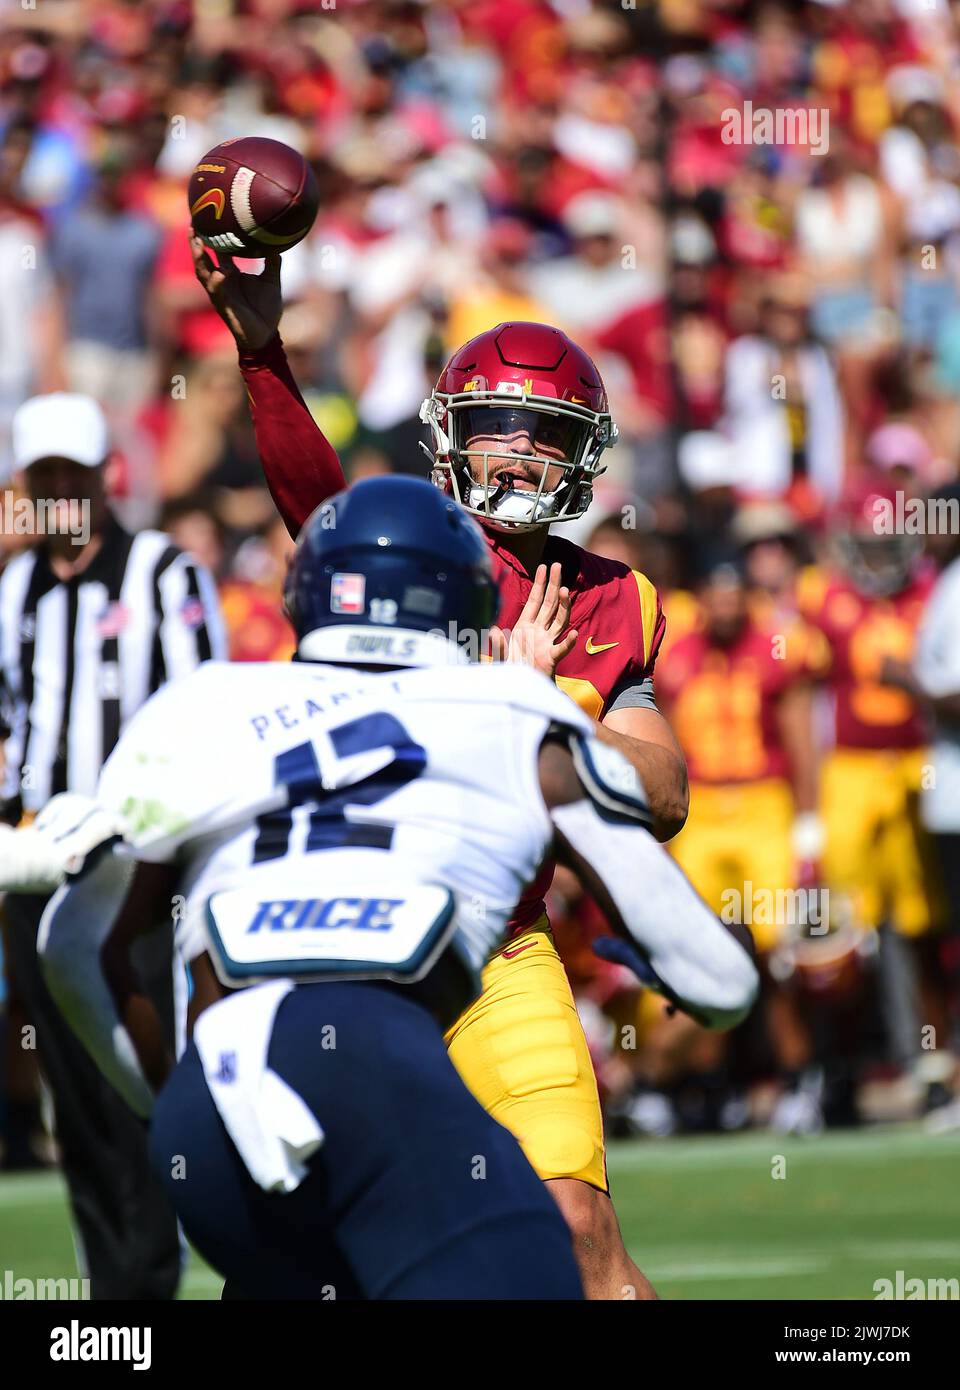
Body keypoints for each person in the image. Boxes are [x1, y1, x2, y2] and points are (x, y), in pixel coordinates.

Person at [14, 475, 757, 1300]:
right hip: (382, 1068)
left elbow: (72, 948)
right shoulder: (510, 711)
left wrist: (173, 1098)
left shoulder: (205, 705)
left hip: (218, 1105)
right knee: (542, 1266)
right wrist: (698, 959)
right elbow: (716, 980)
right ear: (469, 600)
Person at [191, 240, 690, 1298]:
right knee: (308, 1263)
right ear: (445, 441)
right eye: (491, 431)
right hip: (343, 944)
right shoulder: (401, 546)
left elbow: (662, 793)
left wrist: (541, 713)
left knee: (577, 1229)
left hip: (499, 950)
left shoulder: (611, 602)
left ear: (585, 455)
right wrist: (263, 351)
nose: (512, 457)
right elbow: (318, 497)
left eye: (541, 436)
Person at [0, 391, 226, 1299]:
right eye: (41, 477)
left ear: (103, 476)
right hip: (34, 865)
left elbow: (204, 704)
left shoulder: (163, 574)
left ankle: (166, 1262)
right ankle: (117, 1288)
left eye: (71, 475)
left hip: (138, 862)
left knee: (145, 1066)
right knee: (74, 1088)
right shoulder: (13, 590)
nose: (58, 492)